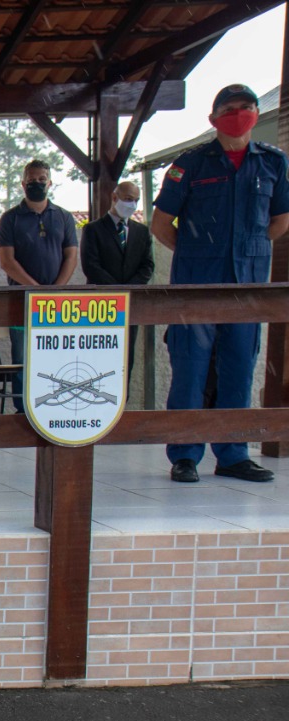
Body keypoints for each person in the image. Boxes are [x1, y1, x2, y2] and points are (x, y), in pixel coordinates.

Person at [151, 83, 289, 484]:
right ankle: (185, 454)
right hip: (197, 288)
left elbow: (281, 220)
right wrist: (195, 253)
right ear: (214, 119)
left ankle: (232, 454)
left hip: (247, 287)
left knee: (238, 368)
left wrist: (252, 249)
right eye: (230, 108)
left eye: (247, 107)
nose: (240, 113)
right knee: (190, 370)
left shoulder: (273, 163)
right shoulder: (191, 163)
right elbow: (161, 224)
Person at [0, 160, 79, 412]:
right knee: (22, 360)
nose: (37, 184)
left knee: (56, 356)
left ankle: (54, 408)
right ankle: (23, 411)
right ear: (23, 184)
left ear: (50, 182)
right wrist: (35, 289)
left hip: (57, 303)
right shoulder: (10, 219)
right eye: (32, 180)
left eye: (42, 179)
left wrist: (55, 290)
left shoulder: (64, 217)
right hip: (21, 302)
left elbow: (71, 256)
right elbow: (7, 261)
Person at [80, 180, 154, 378]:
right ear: (114, 197)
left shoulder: (142, 232)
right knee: (98, 360)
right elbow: (91, 266)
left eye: (136, 200)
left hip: (129, 306)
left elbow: (147, 266)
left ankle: (123, 404)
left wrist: (128, 289)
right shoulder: (93, 230)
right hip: (100, 305)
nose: (132, 205)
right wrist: (115, 290)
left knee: (125, 360)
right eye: (128, 199)